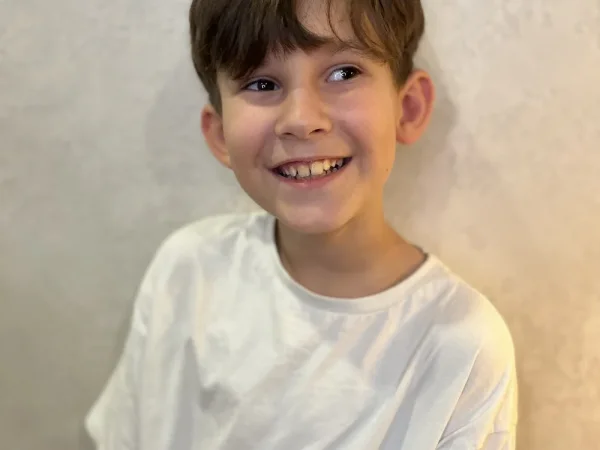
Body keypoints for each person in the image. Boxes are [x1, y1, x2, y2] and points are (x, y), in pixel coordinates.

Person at [85, 0, 518, 448]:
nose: (301, 120)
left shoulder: (462, 346)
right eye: (262, 83)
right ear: (220, 135)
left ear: (406, 108)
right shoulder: (187, 272)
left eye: (344, 73)